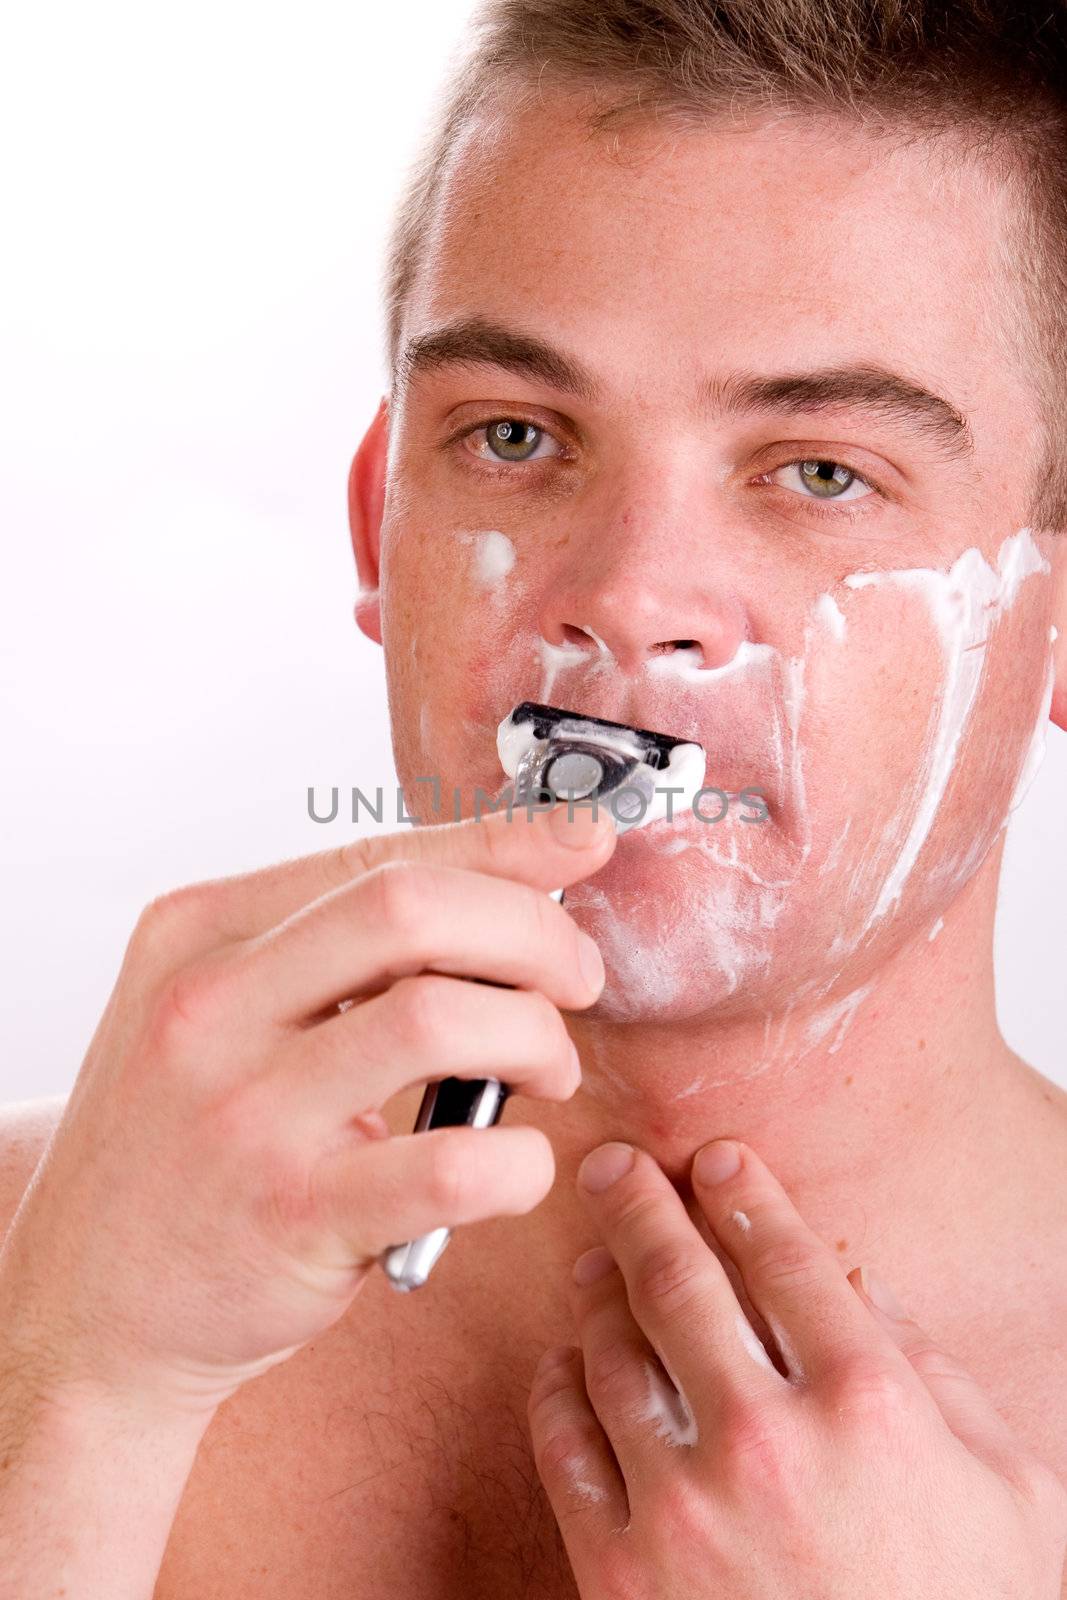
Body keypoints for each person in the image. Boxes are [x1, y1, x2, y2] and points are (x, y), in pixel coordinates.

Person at [2, 0, 1067, 1594]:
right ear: (381, 526)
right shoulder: (43, 1295)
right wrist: (72, 1418)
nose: (631, 599)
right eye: (517, 437)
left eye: (821, 471)